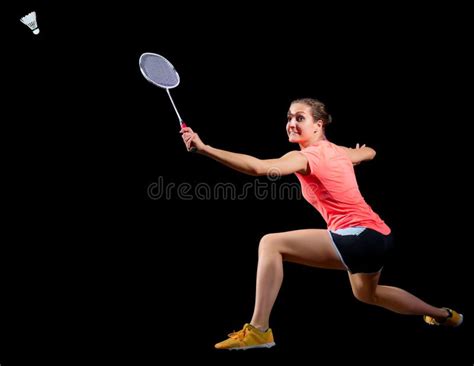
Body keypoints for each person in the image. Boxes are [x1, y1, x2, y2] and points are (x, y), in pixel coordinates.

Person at [180, 98, 463, 351]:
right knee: (367, 293)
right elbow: (369, 153)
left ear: (318, 125)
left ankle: (259, 329)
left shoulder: (304, 157)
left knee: (270, 243)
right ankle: (444, 315)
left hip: (358, 236)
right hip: (379, 237)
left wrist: (205, 149)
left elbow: (259, 168)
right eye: (289, 117)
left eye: (299, 118)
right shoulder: (337, 151)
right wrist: (363, 153)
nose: (291, 123)